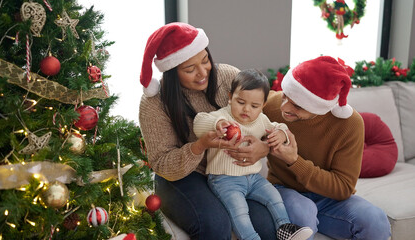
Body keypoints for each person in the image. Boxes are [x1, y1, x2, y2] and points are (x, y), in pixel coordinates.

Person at [138, 22, 274, 239]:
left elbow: (264, 111)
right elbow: (161, 164)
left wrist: (264, 147)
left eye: (205, 60)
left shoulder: (228, 76)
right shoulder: (154, 103)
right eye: (190, 69)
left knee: (267, 225)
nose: (203, 73)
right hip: (181, 176)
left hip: (227, 171)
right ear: (172, 72)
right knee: (215, 224)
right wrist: (200, 146)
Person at [257, 56, 390, 239]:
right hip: (284, 190)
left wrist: (294, 161)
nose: (284, 107)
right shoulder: (271, 105)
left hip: (330, 199)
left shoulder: (350, 125)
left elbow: (343, 188)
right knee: (302, 213)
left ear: (320, 107)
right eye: (286, 95)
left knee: (375, 220)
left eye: (297, 105)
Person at [193, 69, 313, 240]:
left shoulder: (261, 120)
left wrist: (281, 133)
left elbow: (280, 126)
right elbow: (199, 123)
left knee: (274, 197)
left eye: (254, 106)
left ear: (262, 105)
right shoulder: (222, 116)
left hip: (253, 178)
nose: (246, 109)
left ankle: (285, 228)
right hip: (224, 179)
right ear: (230, 97)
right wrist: (217, 123)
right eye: (240, 102)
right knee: (240, 212)